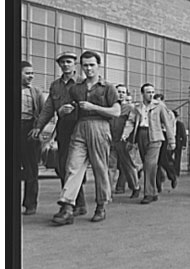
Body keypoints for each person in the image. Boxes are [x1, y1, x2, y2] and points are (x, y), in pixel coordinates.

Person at [52, 51, 121, 225]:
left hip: (100, 127)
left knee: (100, 168)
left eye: (92, 65)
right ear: (81, 67)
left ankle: (101, 206)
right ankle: (67, 207)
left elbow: (116, 111)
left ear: (99, 66)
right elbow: (67, 107)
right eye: (85, 65)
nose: (88, 68)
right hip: (80, 127)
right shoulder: (77, 88)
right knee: (72, 166)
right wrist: (62, 111)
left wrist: (93, 107)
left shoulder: (108, 87)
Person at [31, 52, 88, 216]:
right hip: (63, 128)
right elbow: (48, 107)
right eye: (62, 62)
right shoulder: (56, 85)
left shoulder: (83, 83)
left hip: (81, 126)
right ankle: (78, 203)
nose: (65, 65)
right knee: (62, 166)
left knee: (73, 166)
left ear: (75, 64)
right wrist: (38, 126)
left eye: (68, 62)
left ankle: (86, 205)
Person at [121, 84, 176, 204]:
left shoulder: (159, 106)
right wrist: (125, 134)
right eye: (148, 92)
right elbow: (131, 121)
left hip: (155, 137)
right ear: (142, 94)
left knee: (149, 164)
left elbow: (168, 123)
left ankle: (148, 194)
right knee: (148, 164)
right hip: (141, 135)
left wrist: (172, 141)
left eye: (152, 92)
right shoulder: (137, 107)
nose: (151, 94)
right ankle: (154, 192)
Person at [107, 84, 141, 199]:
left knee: (129, 166)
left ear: (126, 95)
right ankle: (108, 192)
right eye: (118, 92)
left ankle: (135, 187)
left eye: (123, 92)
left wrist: (128, 138)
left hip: (125, 142)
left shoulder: (130, 108)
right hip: (112, 141)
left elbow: (132, 124)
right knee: (110, 166)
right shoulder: (110, 107)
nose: (120, 94)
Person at [21, 61, 45, 215]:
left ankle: (30, 204)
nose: (31, 76)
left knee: (31, 169)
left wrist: (39, 130)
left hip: (30, 130)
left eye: (32, 73)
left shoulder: (36, 91)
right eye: (27, 73)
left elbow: (44, 113)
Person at [153, 93, 177, 194]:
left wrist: (171, 140)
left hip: (165, 136)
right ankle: (158, 185)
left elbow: (171, 127)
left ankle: (172, 176)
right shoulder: (152, 111)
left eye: (159, 101)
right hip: (155, 135)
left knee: (164, 160)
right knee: (156, 163)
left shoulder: (168, 113)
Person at [173, 109, 187, 177]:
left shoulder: (180, 124)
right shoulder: (168, 124)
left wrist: (184, 144)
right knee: (168, 156)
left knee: (177, 157)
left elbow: (183, 134)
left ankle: (176, 171)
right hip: (170, 141)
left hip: (178, 142)